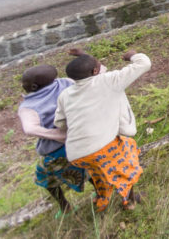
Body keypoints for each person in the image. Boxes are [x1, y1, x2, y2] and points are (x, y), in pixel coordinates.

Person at [54, 48, 151, 212]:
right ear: (95, 71)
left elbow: (60, 123)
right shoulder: (109, 81)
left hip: (77, 154)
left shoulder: (65, 94)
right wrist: (132, 55)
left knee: (99, 172)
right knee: (126, 162)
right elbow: (144, 63)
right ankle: (130, 201)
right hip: (101, 148)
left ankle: (101, 200)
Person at [17, 65, 88, 215]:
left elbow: (29, 129)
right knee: (92, 167)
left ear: (34, 86)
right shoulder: (66, 82)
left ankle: (65, 206)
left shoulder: (28, 107)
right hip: (84, 137)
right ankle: (102, 195)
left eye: (23, 83)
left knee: (44, 178)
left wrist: (59, 134)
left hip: (57, 151)